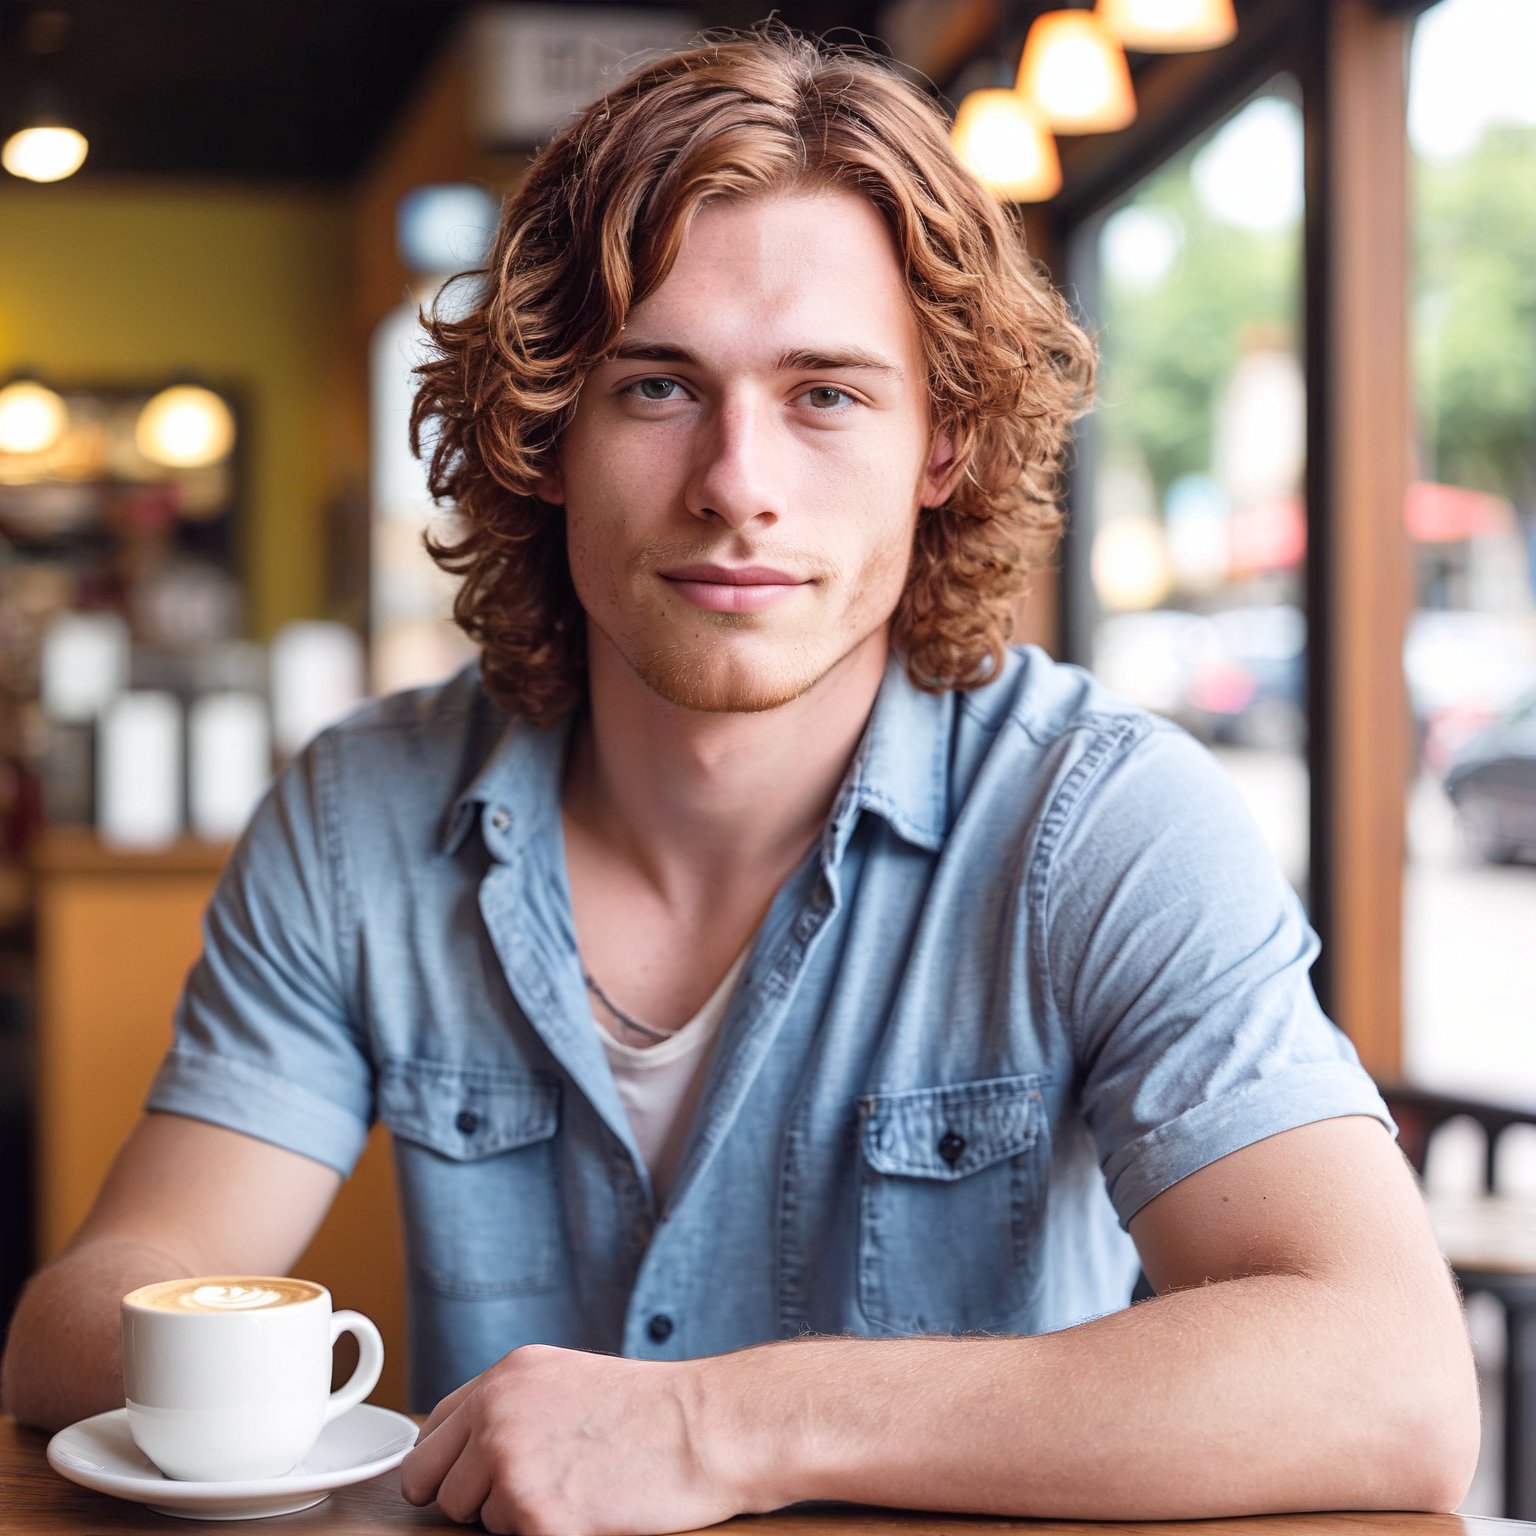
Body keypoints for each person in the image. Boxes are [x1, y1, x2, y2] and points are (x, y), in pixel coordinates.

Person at [2, 27, 1477, 1534]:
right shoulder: (359, 816)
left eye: (827, 394)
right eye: (655, 387)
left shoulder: (1099, 819)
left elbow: (1393, 1381)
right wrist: (225, 1375)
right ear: (546, 436)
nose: (737, 484)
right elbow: (79, 1321)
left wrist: (727, 1423)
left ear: (942, 446)